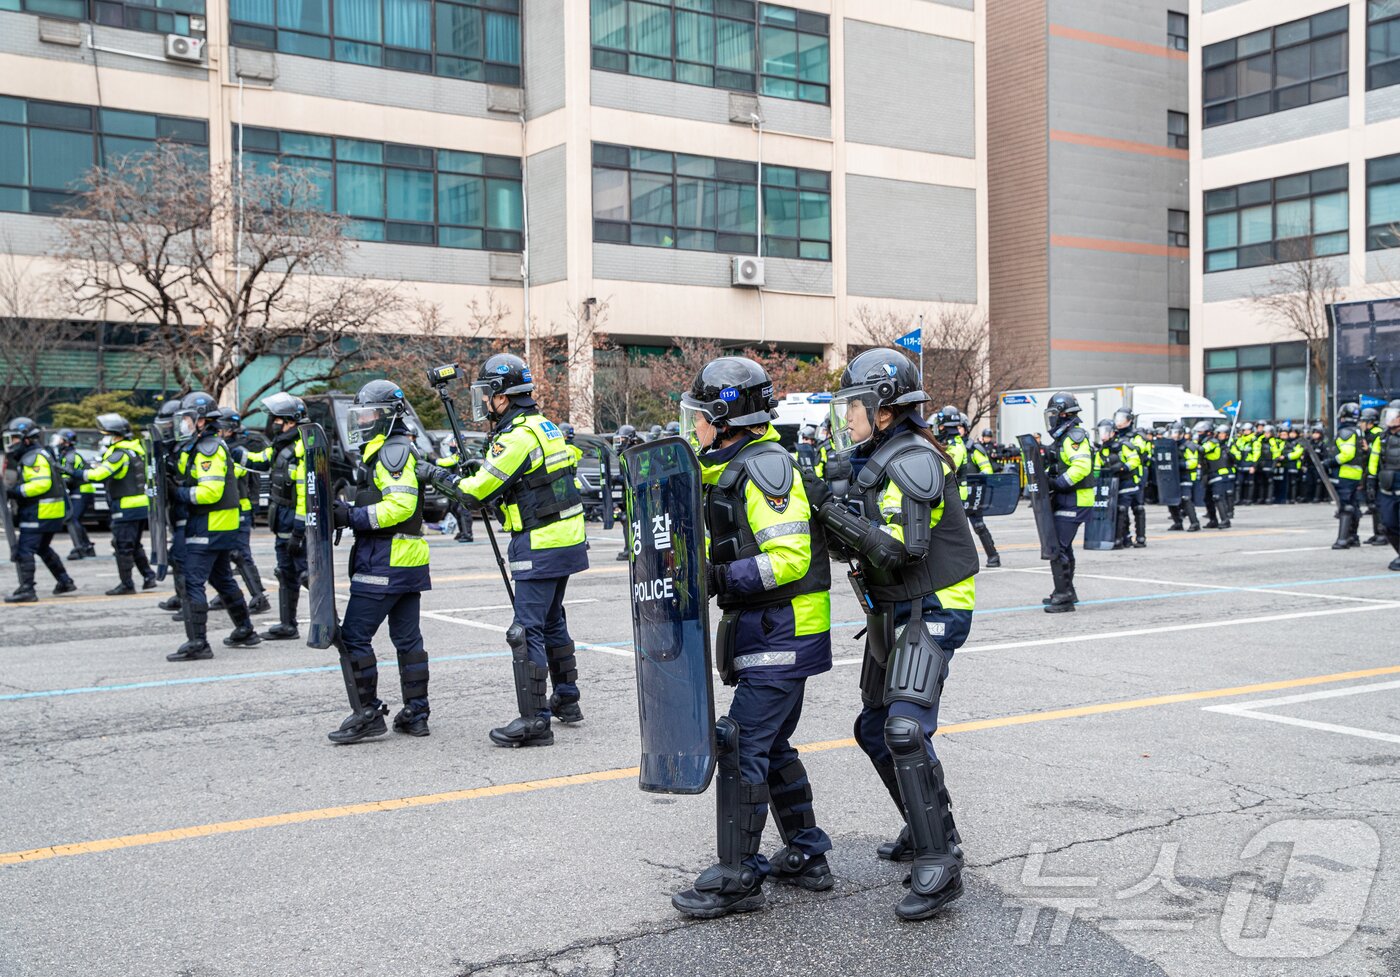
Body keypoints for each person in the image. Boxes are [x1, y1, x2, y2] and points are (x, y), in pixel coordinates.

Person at [806, 347, 976, 920]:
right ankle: (924, 821)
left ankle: (940, 860)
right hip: (892, 604)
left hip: (933, 601)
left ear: (883, 407)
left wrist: (829, 510)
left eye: (854, 404)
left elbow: (903, 548)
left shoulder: (914, 458)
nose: (847, 415)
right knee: (874, 725)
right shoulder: (876, 453)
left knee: (904, 727)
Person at [665, 356, 834, 919]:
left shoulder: (767, 469)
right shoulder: (740, 460)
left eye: (699, 418)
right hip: (771, 628)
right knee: (772, 743)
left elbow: (788, 558)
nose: (694, 428)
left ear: (725, 416)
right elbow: (710, 478)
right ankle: (808, 856)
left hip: (783, 629)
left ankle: (739, 876)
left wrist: (716, 576)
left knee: (739, 743)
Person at [421, 354, 588, 746]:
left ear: (502, 396)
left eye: (487, 394)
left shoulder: (516, 436)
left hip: (540, 542)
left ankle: (535, 722)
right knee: (552, 621)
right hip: (567, 539)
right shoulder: (543, 426)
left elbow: (473, 494)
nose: (484, 402)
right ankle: (567, 698)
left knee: (524, 630)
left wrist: (434, 475)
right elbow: (535, 475)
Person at [326, 379, 432, 743]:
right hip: (406, 559)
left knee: (354, 636)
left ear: (386, 414)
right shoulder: (390, 448)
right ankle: (416, 714)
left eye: (369, 412)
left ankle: (367, 712)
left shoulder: (393, 452)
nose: (363, 419)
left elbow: (399, 507)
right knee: (407, 639)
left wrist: (350, 516)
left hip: (387, 559)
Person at [165, 392, 262, 661]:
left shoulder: (209, 448)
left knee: (191, 581)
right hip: (219, 524)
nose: (183, 423)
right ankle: (245, 629)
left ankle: (198, 643)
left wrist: (179, 494)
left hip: (210, 523)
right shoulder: (200, 445)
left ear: (201, 420)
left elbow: (210, 492)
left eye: (186, 418)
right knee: (221, 578)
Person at [240, 393, 308, 640]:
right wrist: (235, 453)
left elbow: (304, 493)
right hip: (281, 518)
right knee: (285, 572)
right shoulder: (280, 445)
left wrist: (299, 531)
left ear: (290, 420)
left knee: (306, 574)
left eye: (277, 418)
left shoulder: (302, 448)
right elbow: (260, 461)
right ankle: (288, 625)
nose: (273, 422)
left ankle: (330, 619)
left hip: (295, 520)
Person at [81, 413, 158, 594]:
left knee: (122, 545)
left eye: (106, 434)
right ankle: (148, 576)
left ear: (115, 435)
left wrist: (78, 473)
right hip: (140, 505)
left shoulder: (118, 454)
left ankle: (127, 584)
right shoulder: (136, 449)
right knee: (134, 544)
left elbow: (99, 475)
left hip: (126, 507)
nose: (104, 439)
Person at [3, 417, 76, 603]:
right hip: (51, 511)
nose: (11, 444)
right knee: (43, 548)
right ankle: (65, 581)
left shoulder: (33, 457)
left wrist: (15, 492)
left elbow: (42, 484)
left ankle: (27, 589)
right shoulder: (41, 452)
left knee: (24, 549)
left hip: (40, 511)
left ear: (26, 439)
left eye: (15, 439)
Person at [212, 411, 271, 615]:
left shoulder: (237, 450)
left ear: (228, 429)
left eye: (220, 427)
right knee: (225, 553)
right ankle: (226, 593)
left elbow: (235, 473)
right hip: (228, 510)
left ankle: (259, 596)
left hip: (240, 510)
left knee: (240, 554)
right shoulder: (223, 447)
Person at [1041, 393, 1094, 611]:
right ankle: (1067, 590)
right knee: (1065, 547)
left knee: (1058, 547)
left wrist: (1058, 483)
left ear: (1062, 414)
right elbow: (1061, 466)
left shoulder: (1074, 435)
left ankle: (1064, 597)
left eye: (1054, 414)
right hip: (1067, 498)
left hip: (1075, 499)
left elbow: (1082, 467)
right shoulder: (1064, 437)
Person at [938, 406, 1000, 567]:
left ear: (964, 428)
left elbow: (987, 470)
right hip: (960, 493)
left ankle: (993, 555)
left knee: (978, 526)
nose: (958, 430)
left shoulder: (973, 448)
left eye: (960, 427)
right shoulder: (949, 445)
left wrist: (976, 481)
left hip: (973, 494)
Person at [152, 398, 188, 619]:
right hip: (175, 512)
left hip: (190, 514)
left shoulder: (187, 449)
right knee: (177, 558)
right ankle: (180, 596)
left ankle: (189, 603)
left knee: (182, 558)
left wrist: (176, 487)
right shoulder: (172, 450)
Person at [1093, 417, 1142, 549]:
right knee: (1115, 510)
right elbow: (1097, 468)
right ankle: (1126, 538)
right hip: (1111, 485)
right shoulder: (1101, 451)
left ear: (1113, 432)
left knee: (1122, 509)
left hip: (1128, 483)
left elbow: (1135, 461)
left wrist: (1123, 467)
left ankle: (1121, 539)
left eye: (1106, 431)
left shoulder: (1123, 445)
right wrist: (1095, 480)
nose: (1103, 435)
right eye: (1101, 432)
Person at [51, 428, 97, 559]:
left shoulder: (71, 456)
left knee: (72, 519)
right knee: (75, 519)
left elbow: (70, 476)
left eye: (60, 439)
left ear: (66, 442)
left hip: (81, 490)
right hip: (80, 490)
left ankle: (79, 548)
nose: (57, 442)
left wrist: (57, 475)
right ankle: (87, 547)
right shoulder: (67, 454)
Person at [1369, 399, 1400, 571]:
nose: (1390, 419)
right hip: (1387, 489)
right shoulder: (1381, 439)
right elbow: (1374, 461)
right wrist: (1370, 482)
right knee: (1388, 524)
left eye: (1394, 415)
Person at [1332, 402, 1367, 550]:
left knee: (1345, 506)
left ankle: (1343, 539)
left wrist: (1331, 461)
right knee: (1353, 505)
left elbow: (1347, 454)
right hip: (1356, 473)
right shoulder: (1358, 431)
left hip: (1345, 473)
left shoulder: (1346, 432)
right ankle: (1353, 536)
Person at [436, 435, 476, 543]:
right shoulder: (457, 453)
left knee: (462, 510)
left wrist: (433, 459)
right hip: (456, 486)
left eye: (452, 443)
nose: (450, 445)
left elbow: (446, 462)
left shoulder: (462, 452)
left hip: (464, 486)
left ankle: (468, 534)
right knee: (454, 508)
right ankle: (462, 531)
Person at [1165, 422, 1202, 532]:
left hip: (1186, 476)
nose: (1175, 435)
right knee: (1171, 500)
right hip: (1172, 477)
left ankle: (1194, 523)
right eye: (1173, 433)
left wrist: (1179, 465)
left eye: (1177, 433)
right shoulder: (1169, 445)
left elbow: (1192, 463)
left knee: (1186, 499)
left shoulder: (1189, 446)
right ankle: (1177, 522)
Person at [1120, 412, 1149, 546]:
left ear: (1130, 420)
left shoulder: (1136, 436)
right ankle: (1126, 536)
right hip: (1121, 477)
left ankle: (1141, 537)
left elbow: (1140, 449)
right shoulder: (1116, 434)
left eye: (1122, 418)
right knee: (1122, 509)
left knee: (1138, 507)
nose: (1118, 421)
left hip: (1137, 476)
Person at [1199, 422, 1233, 530]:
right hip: (1209, 474)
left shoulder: (1212, 442)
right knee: (1207, 499)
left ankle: (1225, 520)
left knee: (1217, 497)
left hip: (1218, 474)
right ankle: (1213, 520)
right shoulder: (1206, 442)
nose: (1199, 434)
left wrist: (1189, 445)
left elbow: (1202, 449)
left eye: (1201, 432)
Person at [1361, 408, 1387, 545]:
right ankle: (1377, 533)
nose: (1361, 423)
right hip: (1370, 473)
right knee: (1373, 505)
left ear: (1371, 422)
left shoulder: (1377, 434)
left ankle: (1382, 534)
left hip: (1377, 474)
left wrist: (1367, 450)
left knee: (1379, 505)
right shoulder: (1367, 434)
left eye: (1363, 421)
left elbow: (1379, 454)